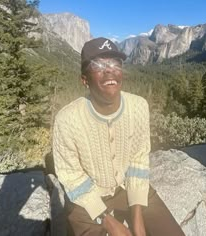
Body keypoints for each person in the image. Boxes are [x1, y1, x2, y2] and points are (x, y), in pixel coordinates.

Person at [52, 37, 185, 236]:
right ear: (84, 80)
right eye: (98, 65)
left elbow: (138, 159)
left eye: (115, 63)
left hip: (127, 186)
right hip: (86, 198)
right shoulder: (67, 119)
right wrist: (108, 221)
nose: (109, 70)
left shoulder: (139, 107)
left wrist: (137, 219)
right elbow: (71, 177)